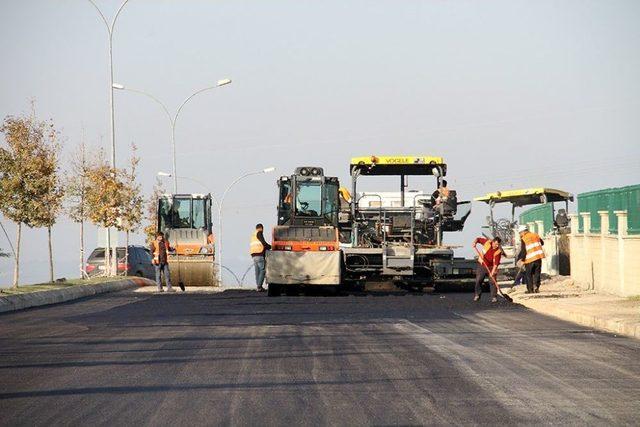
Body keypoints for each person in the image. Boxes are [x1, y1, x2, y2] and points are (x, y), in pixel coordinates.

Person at [472, 236, 503, 303]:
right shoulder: (487, 242)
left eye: (498, 244)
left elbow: (496, 264)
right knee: (479, 279)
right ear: (493, 242)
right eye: (496, 244)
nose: (497, 245)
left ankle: (494, 297)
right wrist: (475, 243)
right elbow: (478, 239)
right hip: (482, 264)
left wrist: (492, 272)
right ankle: (477, 295)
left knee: (492, 281)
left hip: (491, 266)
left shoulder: (498, 251)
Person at [517, 224, 545, 293]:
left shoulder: (524, 238)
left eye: (520, 233)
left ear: (523, 232)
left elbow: (524, 251)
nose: (520, 235)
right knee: (537, 273)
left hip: (530, 259)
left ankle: (530, 289)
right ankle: (536, 287)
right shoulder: (535, 235)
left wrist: (523, 260)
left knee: (528, 275)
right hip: (538, 258)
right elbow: (542, 243)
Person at [250, 223, 272, 292]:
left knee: (257, 271)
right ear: (261, 228)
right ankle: (259, 286)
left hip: (253, 255)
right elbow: (263, 243)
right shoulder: (259, 233)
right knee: (263, 270)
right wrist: (270, 247)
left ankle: (258, 286)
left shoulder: (253, 235)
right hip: (259, 254)